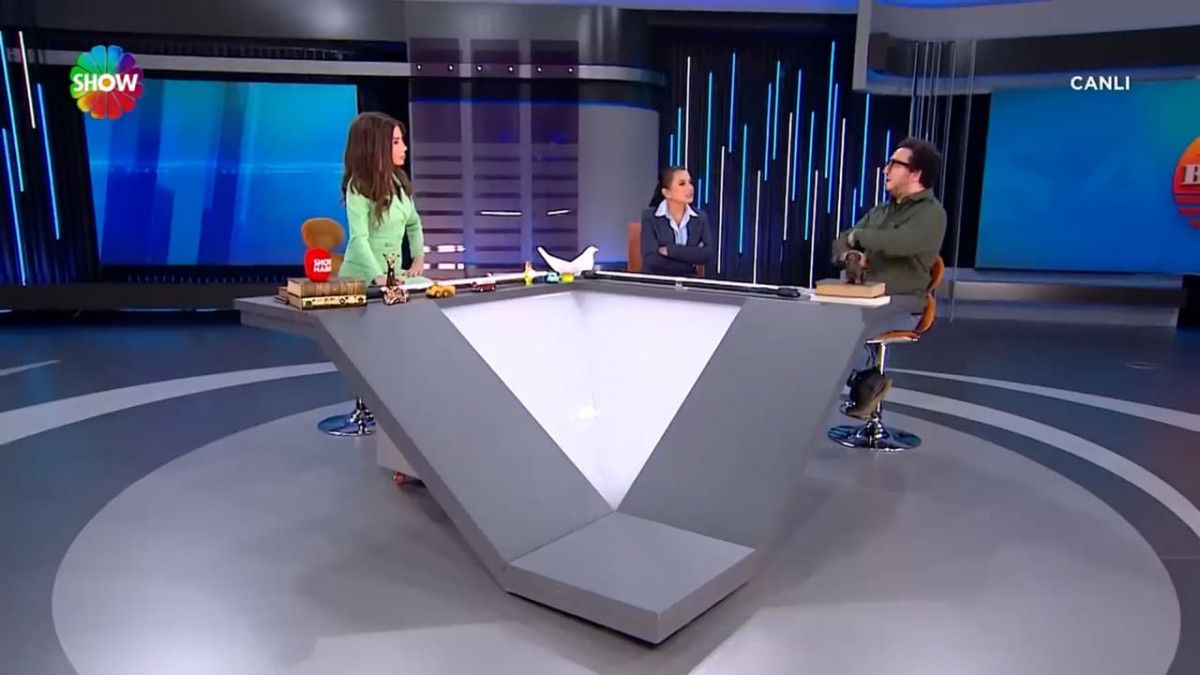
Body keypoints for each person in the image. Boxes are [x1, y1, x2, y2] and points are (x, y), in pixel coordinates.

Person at [832, 137, 946, 419]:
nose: (886, 170)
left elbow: (898, 243)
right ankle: (868, 379)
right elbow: (841, 240)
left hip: (904, 303)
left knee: (845, 329)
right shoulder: (880, 211)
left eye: (894, 164)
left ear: (915, 174)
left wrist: (859, 237)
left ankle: (866, 381)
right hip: (863, 299)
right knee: (821, 320)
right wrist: (849, 254)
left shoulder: (932, 214)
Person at [338, 112, 427, 286]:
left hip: (393, 275)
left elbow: (414, 224)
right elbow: (358, 239)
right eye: (396, 142)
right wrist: (378, 276)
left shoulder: (398, 182)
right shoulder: (358, 187)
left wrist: (418, 259)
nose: (404, 147)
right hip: (362, 278)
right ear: (376, 147)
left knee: (434, 289)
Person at [640, 166, 715, 277]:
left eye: (690, 182)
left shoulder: (700, 218)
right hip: (657, 281)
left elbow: (708, 254)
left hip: (688, 281)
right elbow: (651, 260)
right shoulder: (650, 217)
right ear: (666, 193)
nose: (690, 188)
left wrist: (672, 251)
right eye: (682, 184)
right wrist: (690, 262)